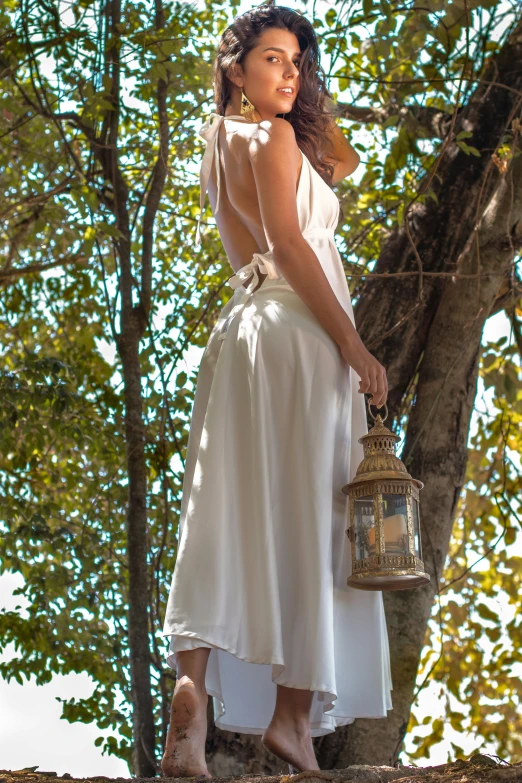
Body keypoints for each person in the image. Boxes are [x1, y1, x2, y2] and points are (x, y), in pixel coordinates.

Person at [161, 5, 392, 778]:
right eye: (272, 59)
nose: (292, 73)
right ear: (234, 66)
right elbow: (293, 246)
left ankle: (190, 699)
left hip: (241, 332)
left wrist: (289, 93)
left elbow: (331, 174)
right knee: (317, 512)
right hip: (301, 333)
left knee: (222, 508)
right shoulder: (279, 137)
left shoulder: (220, 143)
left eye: (298, 60)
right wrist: (353, 343)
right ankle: (292, 720)